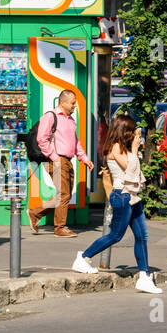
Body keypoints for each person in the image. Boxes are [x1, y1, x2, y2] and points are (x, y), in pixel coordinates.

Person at [72, 114, 161, 293]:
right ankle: (83, 257)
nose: (132, 135)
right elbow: (131, 170)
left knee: (141, 236)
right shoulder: (114, 147)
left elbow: (134, 171)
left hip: (132, 196)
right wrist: (135, 150)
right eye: (130, 131)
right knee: (116, 235)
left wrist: (134, 146)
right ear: (123, 131)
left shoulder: (121, 146)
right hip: (122, 196)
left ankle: (144, 276)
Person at [29, 90, 94, 236]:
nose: (74, 106)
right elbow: (42, 139)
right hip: (56, 160)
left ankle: (35, 213)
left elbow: (75, 142)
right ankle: (59, 228)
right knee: (63, 194)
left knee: (63, 195)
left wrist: (84, 158)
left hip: (67, 160)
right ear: (62, 102)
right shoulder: (50, 116)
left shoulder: (70, 120)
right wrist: (55, 157)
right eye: (72, 103)